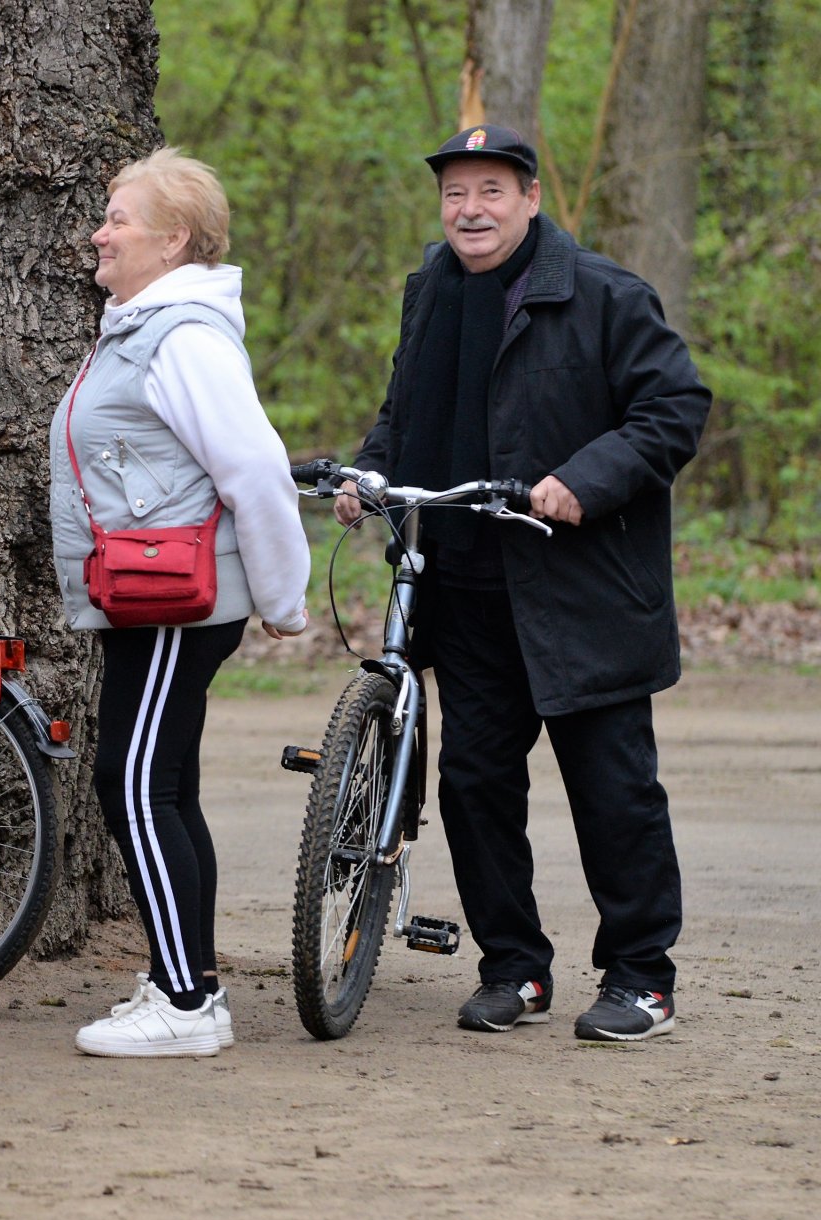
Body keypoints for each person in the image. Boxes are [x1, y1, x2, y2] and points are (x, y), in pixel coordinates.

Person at [334, 123, 707, 1042]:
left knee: (613, 794)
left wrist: (587, 479)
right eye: (456, 193)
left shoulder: (605, 295)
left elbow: (675, 408)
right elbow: (406, 413)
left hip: (582, 595)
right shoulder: (429, 293)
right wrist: (369, 473)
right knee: (475, 785)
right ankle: (515, 968)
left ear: (531, 199)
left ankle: (640, 978)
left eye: (491, 191)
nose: (471, 210)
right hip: (462, 590)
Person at [48, 148, 310, 1057]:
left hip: (173, 601)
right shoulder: (140, 325)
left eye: (119, 217)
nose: (100, 231)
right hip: (142, 598)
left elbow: (256, 471)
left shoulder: (184, 337)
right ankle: (179, 978)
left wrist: (283, 596)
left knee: (134, 788)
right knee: (161, 787)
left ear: (174, 239)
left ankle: (189, 1007)